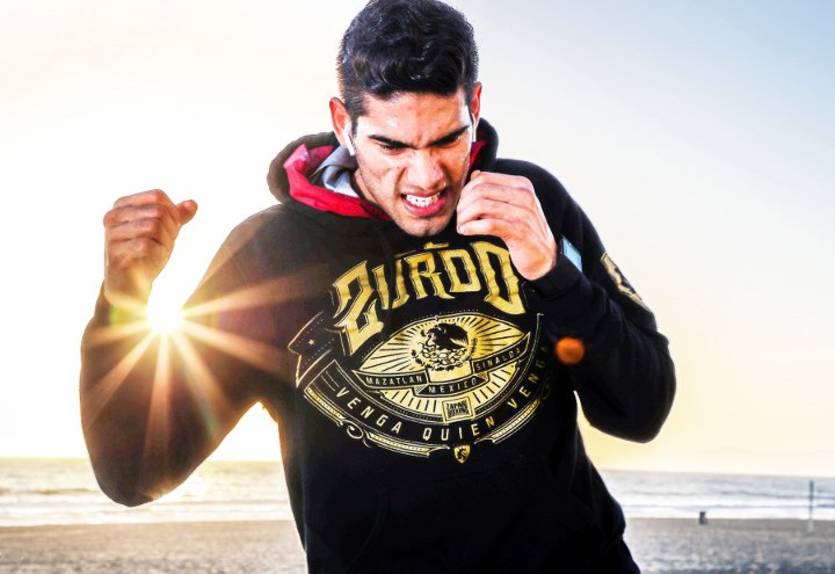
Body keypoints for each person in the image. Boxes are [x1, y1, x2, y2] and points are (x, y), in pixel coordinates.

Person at [79, 1, 675, 572]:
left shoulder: (530, 202)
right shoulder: (267, 255)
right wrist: (123, 299)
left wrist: (553, 274)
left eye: (447, 139)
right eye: (391, 146)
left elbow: (641, 410)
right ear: (344, 124)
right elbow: (134, 474)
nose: (426, 178)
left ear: (474, 104)